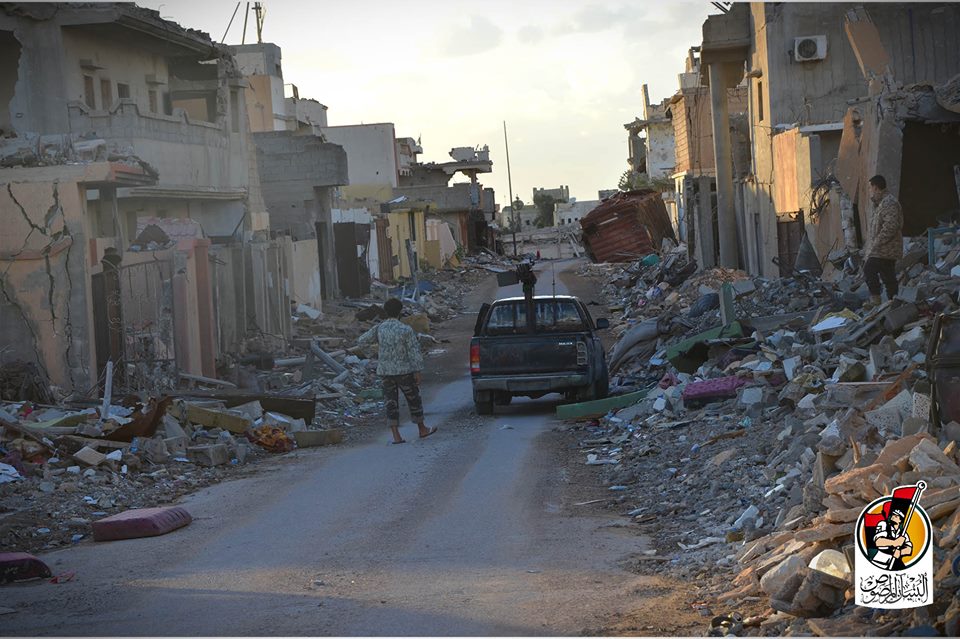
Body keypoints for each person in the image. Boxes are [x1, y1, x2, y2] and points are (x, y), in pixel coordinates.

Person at [358, 298, 436, 444]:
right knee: (413, 399)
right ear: (400, 312)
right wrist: (417, 371)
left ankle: (396, 436)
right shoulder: (405, 329)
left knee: (391, 402)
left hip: (385, 371)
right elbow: (413, 352)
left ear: (386, 312)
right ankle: (422, 429)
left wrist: (374, 355)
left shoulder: (379, 328)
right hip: (404, 371)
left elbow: (362, 341)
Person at [863, 175, 903, 306]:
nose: (870, 191)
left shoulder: (889, 202)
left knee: (869, 269)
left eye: (870, 188)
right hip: (884, 248)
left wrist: (877, 242)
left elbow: (891, 226)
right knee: (888, 276)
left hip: (885, 248)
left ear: (875, 187)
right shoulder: (880, 204)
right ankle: (893, 301)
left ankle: (876, 299)